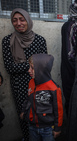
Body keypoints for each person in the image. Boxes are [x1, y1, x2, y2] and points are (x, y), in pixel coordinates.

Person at [2, 8, 47, 141]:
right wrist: (32, 64)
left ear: (28, 20)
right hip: (19, 87)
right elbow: (10, 68)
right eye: (15, 20)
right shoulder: (7, 41)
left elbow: (43, 65)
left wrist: (26, 66)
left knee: (40, 114)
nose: (18, 23)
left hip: (38, 84)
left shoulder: (39, 40)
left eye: (22, 19)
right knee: (23, 116)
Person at [20, 53, 63, 141]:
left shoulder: (53, 88)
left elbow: (58, 110)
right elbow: (28, 99)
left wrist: (57, 128)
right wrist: (23, 111)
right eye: (29, 67)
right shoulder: (31, 83)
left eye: (32, 68)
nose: (29, 70)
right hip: (32, 126)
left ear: (41, 69)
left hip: (47, 129)